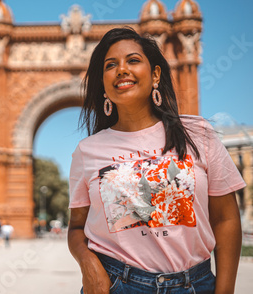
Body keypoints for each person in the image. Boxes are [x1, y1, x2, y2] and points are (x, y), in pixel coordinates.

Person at [67, 27, 245, 294]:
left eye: (133, 60)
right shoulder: (87, 150)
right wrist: (87, 264)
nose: (122, 69)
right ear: (103, 83)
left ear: (155, 75)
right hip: (117, 285)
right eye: (110, 65)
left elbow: (226, 219)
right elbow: (76, 228)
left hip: (194, 285)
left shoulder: (197, 134)